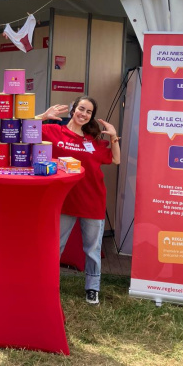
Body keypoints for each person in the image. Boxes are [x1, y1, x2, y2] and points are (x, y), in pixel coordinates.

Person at [36, 96, 120, 305]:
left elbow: (116, 159)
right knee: (56, 246)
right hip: (63, 201)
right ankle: (48, 284)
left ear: (91, 116)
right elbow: (23, 131)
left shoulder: (93, 141)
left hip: (92, 201)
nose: (83, 114)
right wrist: (43, 116)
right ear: (73, 109)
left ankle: (92, 288)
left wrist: (114, 137)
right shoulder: (54, 131)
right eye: (81, 109)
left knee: (92, 249)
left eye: (88, 112)